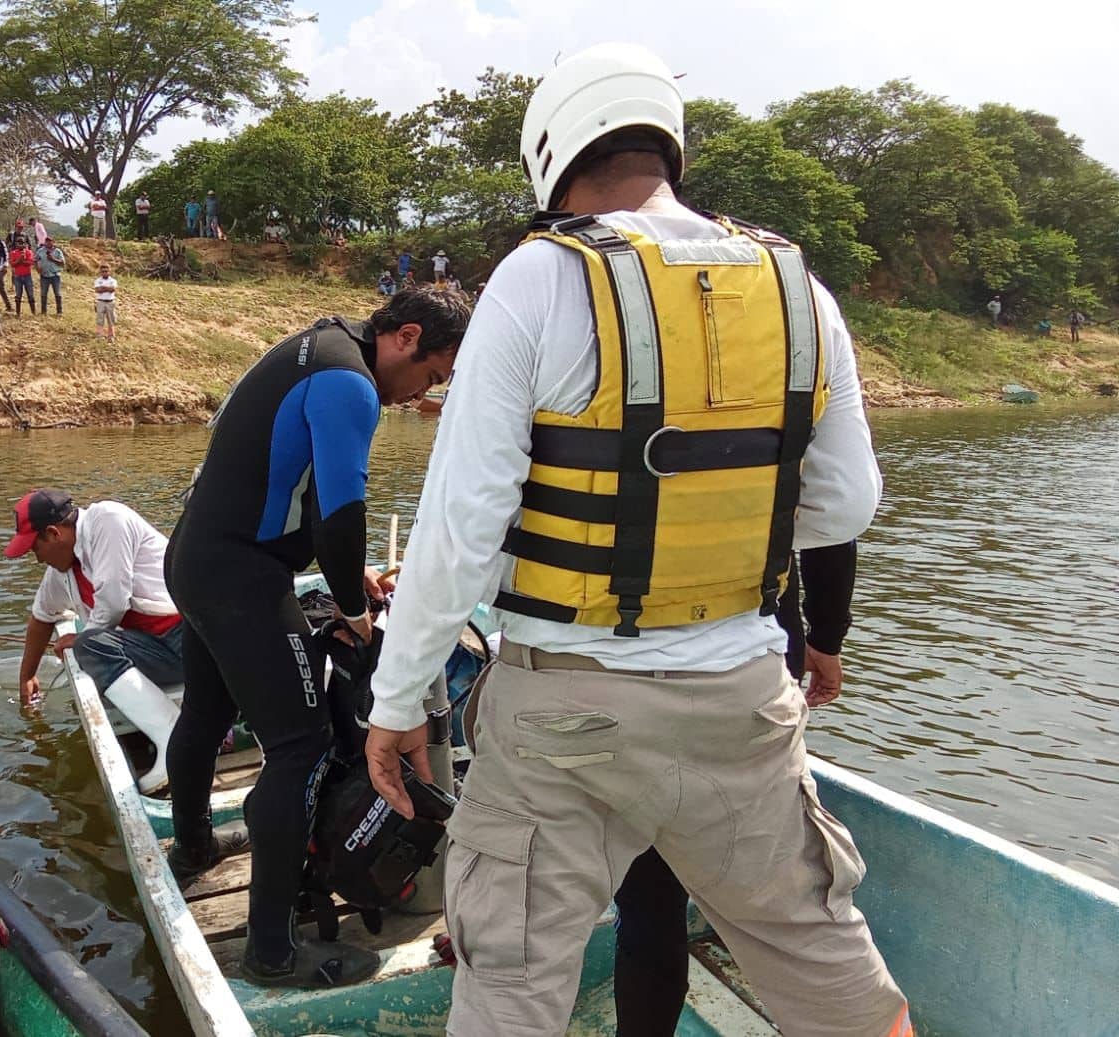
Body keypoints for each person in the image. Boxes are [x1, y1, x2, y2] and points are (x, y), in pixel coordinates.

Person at [362, 43, 910, 1037]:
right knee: (829, 973)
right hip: (741, 698)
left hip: (561, 709)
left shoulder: (534, 280)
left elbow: (459, 530)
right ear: (669, 144)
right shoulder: (801, 289)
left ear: (552, 150)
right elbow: (843, 505)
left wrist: (399, 700)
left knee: (510, 989)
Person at [164, 288, 470, 988]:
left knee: (206, 715)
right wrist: (357, 608)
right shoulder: (351, 385)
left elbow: (279, 481)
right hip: (241, 574)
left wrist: (344, 565)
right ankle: (272, 950)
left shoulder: (315, 347)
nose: (418, 393)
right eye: (430, 375)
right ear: (406, 336)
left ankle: (193, 847)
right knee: (299, 743)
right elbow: (342, 510)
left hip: (196, 556)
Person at [611, 540, 860, 1036]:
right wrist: (826, 637)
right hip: (757, 670)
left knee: (649, 897)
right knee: (794, 901)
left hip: (621, 664)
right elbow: (835, 518)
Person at [5, 490, 186, 793]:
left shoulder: (107, 520)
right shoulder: (62, 572)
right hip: (160, 651)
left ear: (53, 533)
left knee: (88, 645)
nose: (38, 559)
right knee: (90, 646)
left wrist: (82, 638)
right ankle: (167, 733)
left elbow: (114, 601)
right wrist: (27, 676)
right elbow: (41, 618)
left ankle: (174, 737)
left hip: (190, 636)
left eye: (36, 548)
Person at [9, 237, 37, 316]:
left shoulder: (29, 252)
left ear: (25, 243)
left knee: (30, 294)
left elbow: (30, 262)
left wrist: (20, 261)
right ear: (16, 243)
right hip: (18, 276)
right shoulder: (13, 252)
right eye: (19, 242)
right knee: (18, 295)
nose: (20, 244)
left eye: (22, 242)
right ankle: (18, 313)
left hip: (27, 276)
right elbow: (12, 264)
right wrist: (20, 260)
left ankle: (33, 312)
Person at [37, 237, 66, 315]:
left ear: (53, 242)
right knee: (43, 294)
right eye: (47, 242)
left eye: (50, 242)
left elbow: (62, 263)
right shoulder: (40, 251)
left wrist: (53, 259)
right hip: (44, 275)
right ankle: (43, 312)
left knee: (57, 294)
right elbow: (36, 260)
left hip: (55, 275)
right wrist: (38, 268)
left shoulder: (57, 251)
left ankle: (59, 311)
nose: (48, 243)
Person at [93, 264, 118, 342]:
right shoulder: (97, 280)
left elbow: (113, 289)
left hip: (110, 302)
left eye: (106, 271)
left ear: (109, 272)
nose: (105, 273)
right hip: (100, 301)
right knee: (100, 319)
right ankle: (99, 334)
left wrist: (103, 288)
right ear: (100, 272)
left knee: (111, 319)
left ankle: (111, 335)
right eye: (103, 271)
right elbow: (97, 290)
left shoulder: (113, 280)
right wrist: (107, 288)